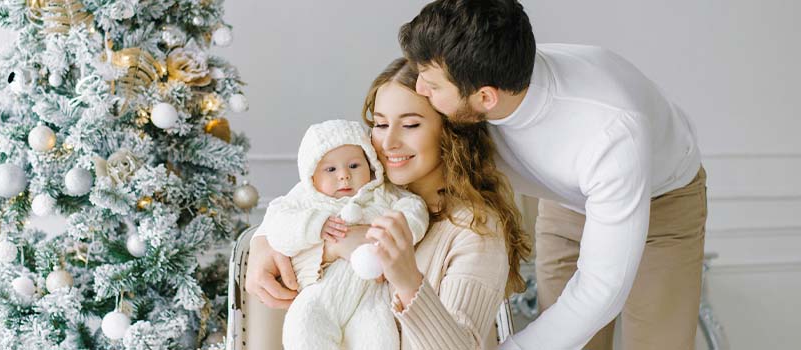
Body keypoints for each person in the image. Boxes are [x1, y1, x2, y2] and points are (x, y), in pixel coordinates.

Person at [399, 1, 708, 349]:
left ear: (486, 97)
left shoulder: (609, 131)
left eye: (432, 85)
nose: (420, 90)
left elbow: (601, 289)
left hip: (663, 201)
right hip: (565, 199)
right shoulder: (479, 71)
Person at [246, 57, 532, 349]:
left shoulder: (475, 230)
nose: (388, 142)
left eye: (410, 125)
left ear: (450, 133)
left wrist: (409, 281)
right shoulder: (365, 186)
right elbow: (292, 209)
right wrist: (268, 242)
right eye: (380, 124)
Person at [258, 119, 430, 350]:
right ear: (311, 176)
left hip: (370, 298)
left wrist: (392, 233)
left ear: (370, 166)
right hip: (322, 292)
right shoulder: (306, 201)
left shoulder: (383, 195)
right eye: (330, 169)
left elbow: (414, 211)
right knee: (304, 326)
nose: (344, 176)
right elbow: (278, 227)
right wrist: (315, 225)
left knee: (378, 338)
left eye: (354, 166)